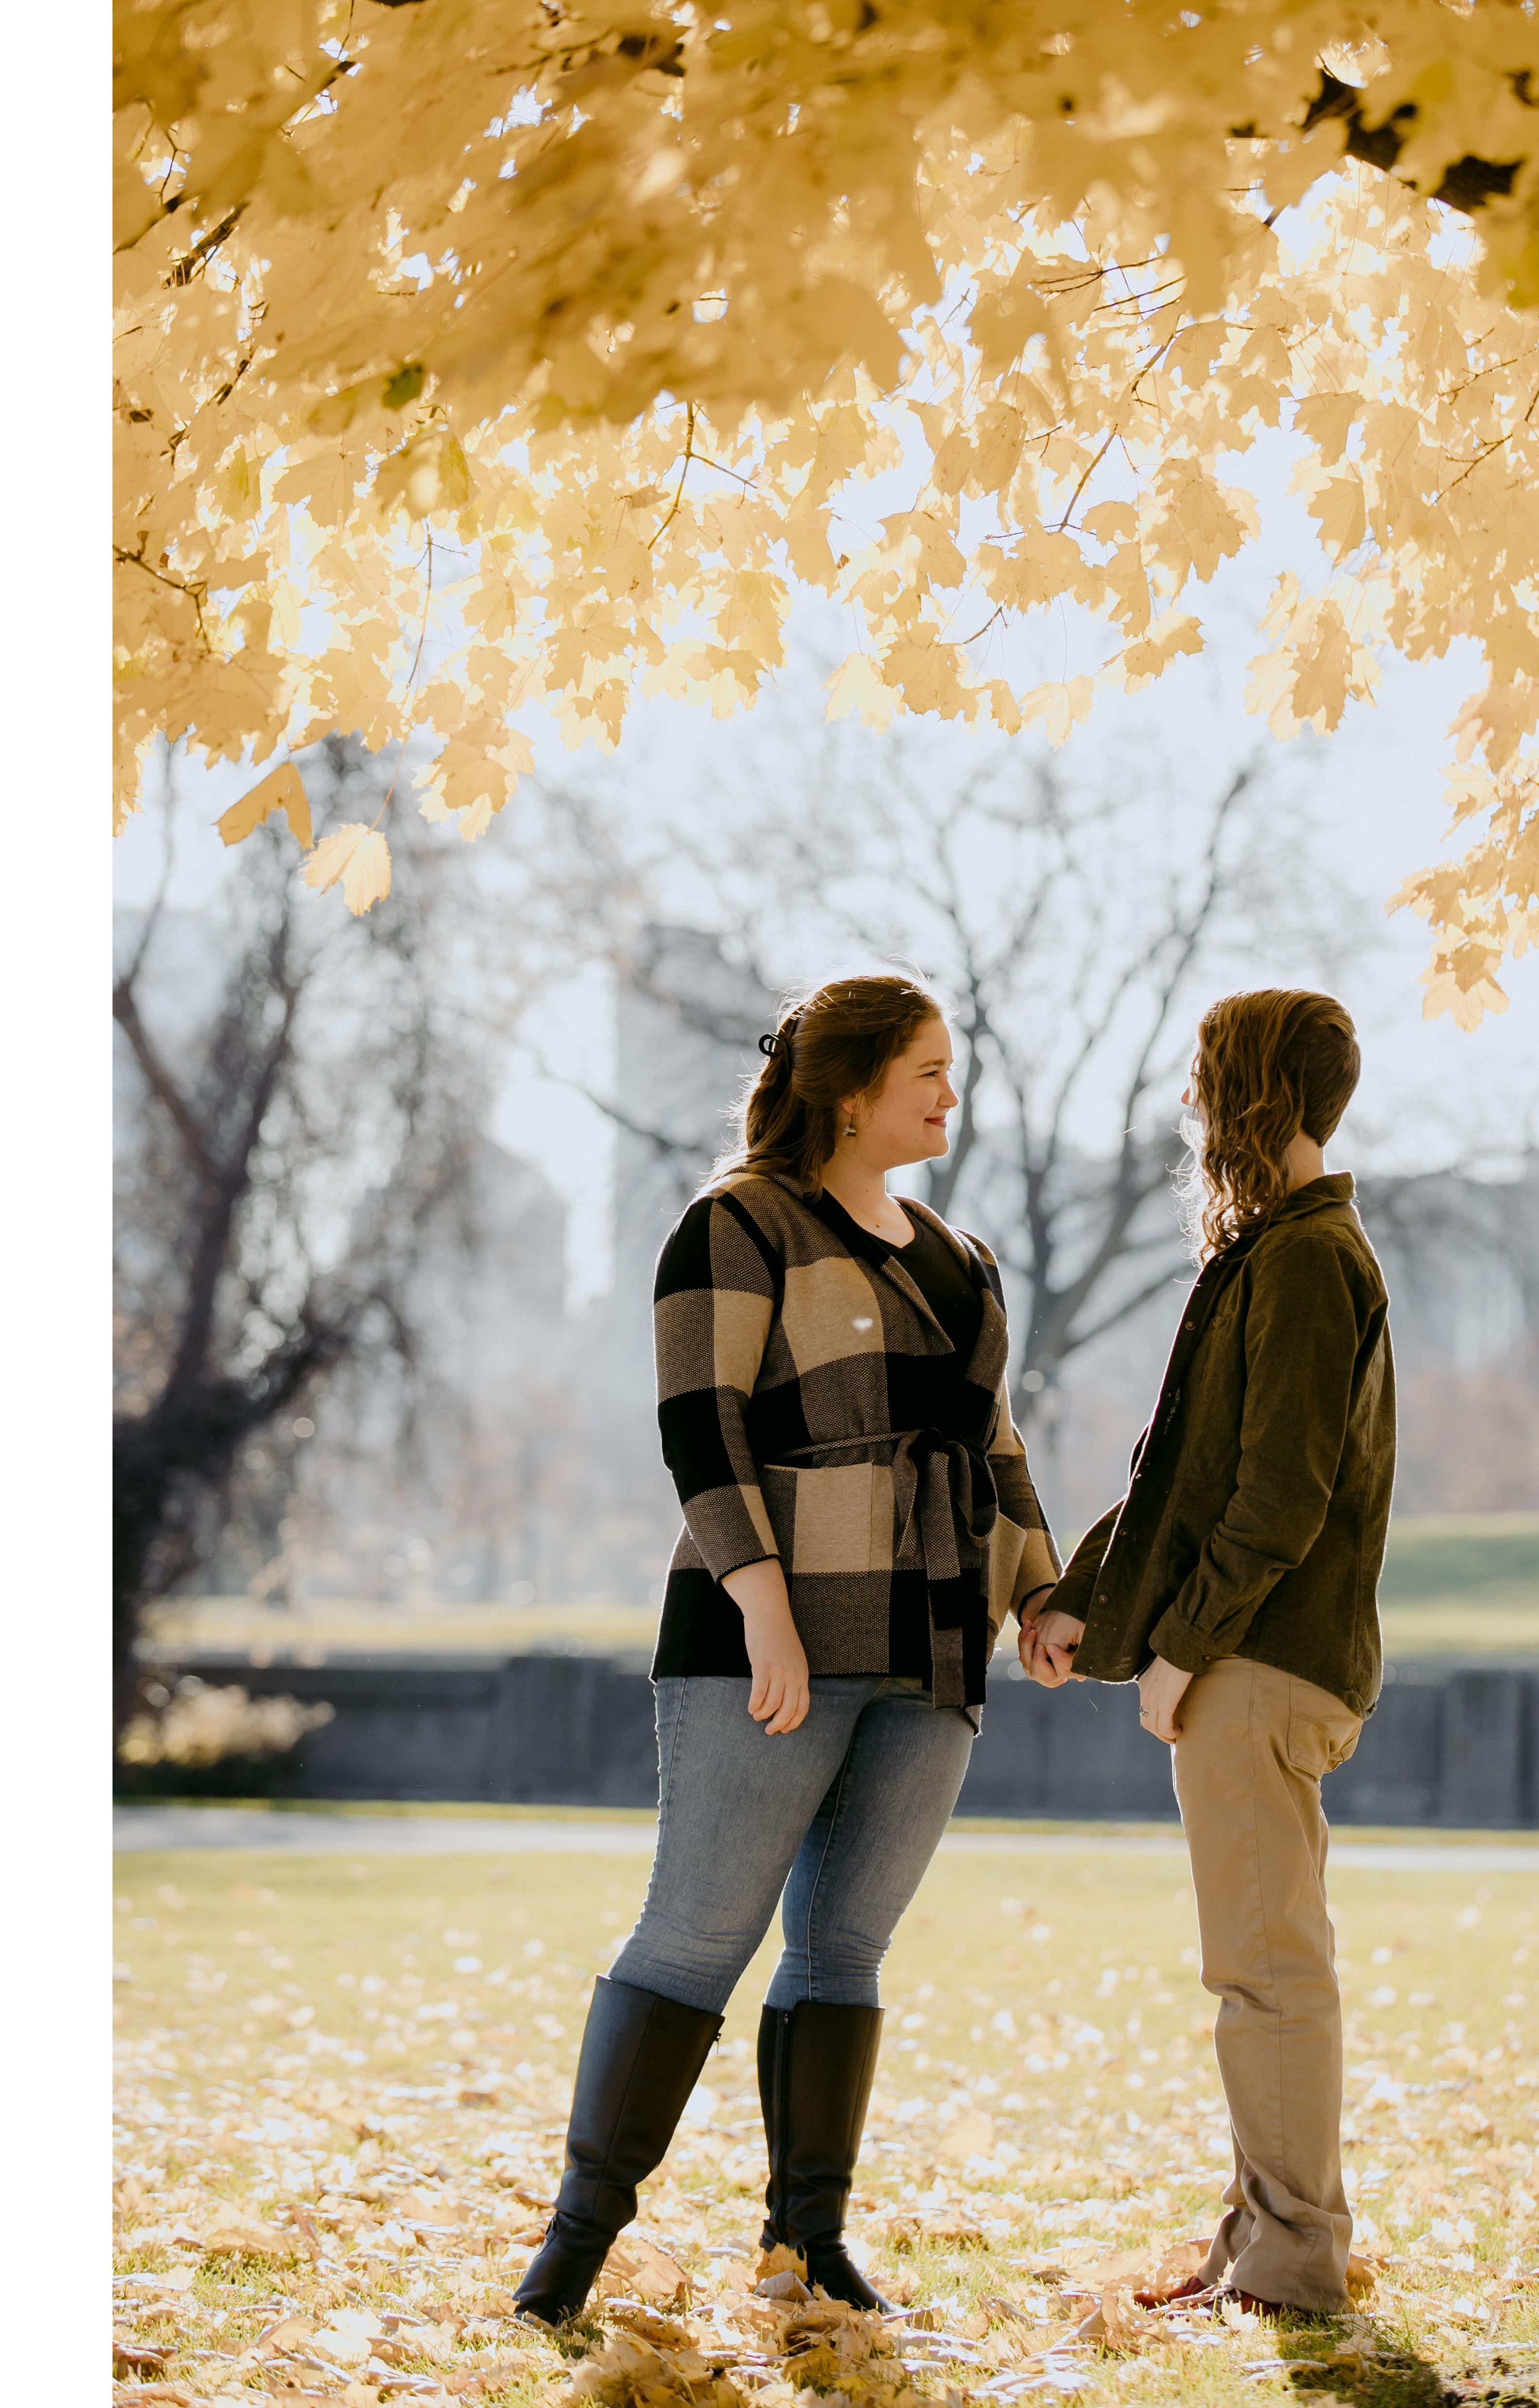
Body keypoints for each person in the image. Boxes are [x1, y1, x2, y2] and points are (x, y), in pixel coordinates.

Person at [514, 974, 1062, 2328]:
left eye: (952, 1071)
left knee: (846, 1949)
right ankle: (572, 2255)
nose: (950, 1095)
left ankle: (805, 2249)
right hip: (766, 1636)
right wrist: (763, 1601)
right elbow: (701, 1424)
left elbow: (994, 1448)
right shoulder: (734, 1224)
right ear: (851, 1083)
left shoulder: (967, 1260)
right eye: (927, 1071)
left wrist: (1042, 1597)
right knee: (699, 1932)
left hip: (931, 1643)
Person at [1022, 989, 1393, 2320]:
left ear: (1260, 1094)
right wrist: (1082, 1597)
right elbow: (1185, 1473)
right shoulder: (1273, 1250)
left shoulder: (1305, 1259)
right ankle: (1261, 2235)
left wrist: (1180, 1652)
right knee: (1255, 1965)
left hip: (1263, 1664)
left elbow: (1276, 1497)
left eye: (1206, 1077)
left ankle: (1293, 2255)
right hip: (1257, 1657)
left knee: (1269, 1970)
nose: (1191, 1104)